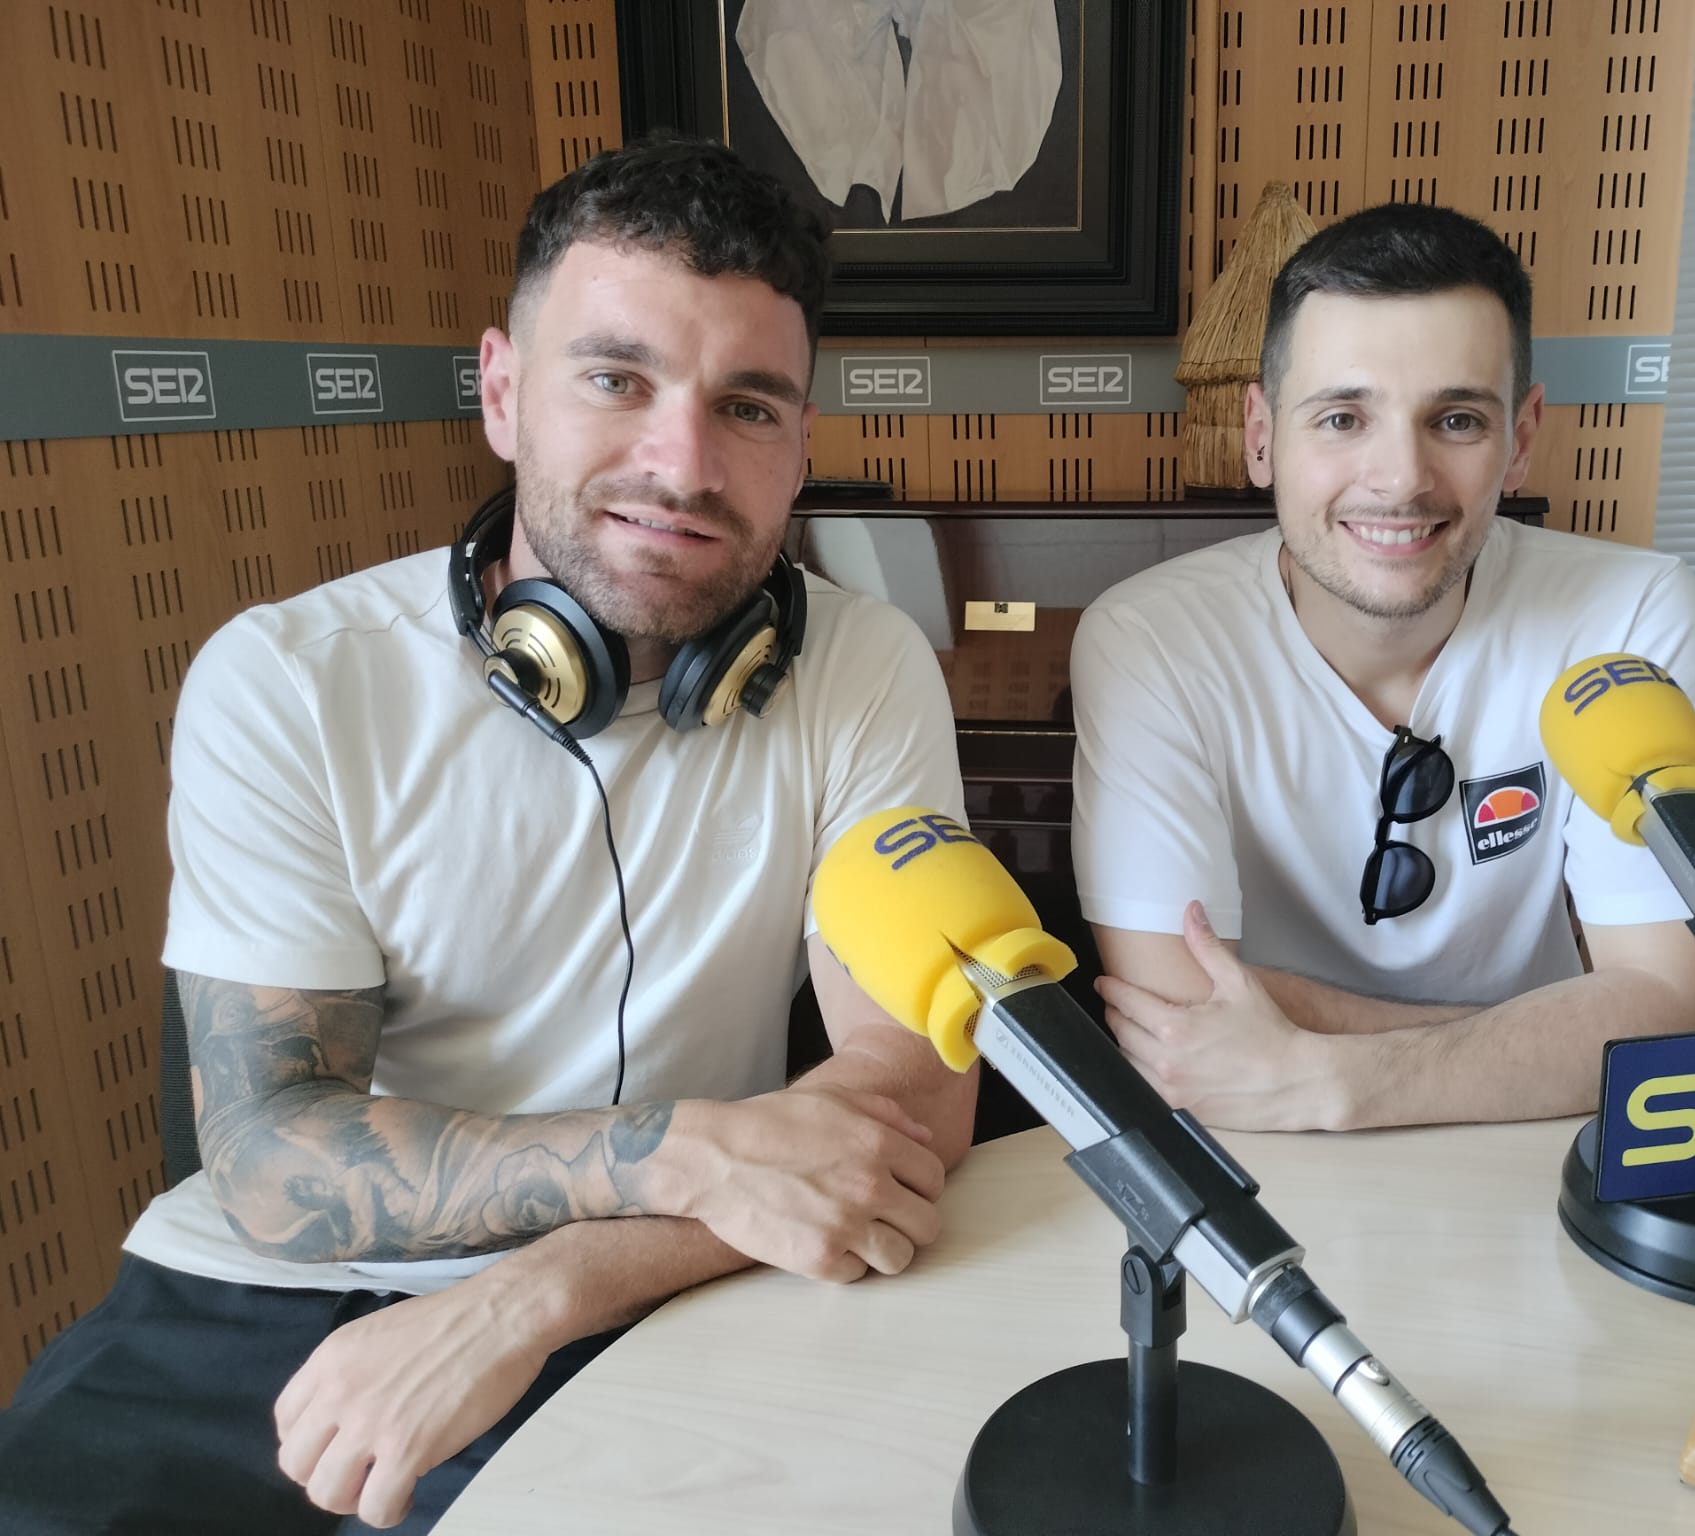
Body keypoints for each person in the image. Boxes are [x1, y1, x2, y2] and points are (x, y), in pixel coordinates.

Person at [0, 132, 976, 1534]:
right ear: (503, 392)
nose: (682, 461)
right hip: (254, 1307)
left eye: (748, 406)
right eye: (615, 379)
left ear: (803, 440)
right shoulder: (287, 678)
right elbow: (274, 1159)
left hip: (666, 1284)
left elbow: (901, 1112)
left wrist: (550, 1286)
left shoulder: (867, 665)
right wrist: (686, 1154)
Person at [1070, 201, 1695, 1134]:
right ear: (1260, 435)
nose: (1400, 479)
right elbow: (1176, 1023)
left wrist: (1338, 1078)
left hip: (1523, 1148)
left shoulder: (1633, 614)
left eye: (1456, 419)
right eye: (1342, 416)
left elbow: (1670, 1012)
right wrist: (1547, 1041)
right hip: (1267, 1149)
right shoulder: (1146, 639)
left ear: (1523, 435)